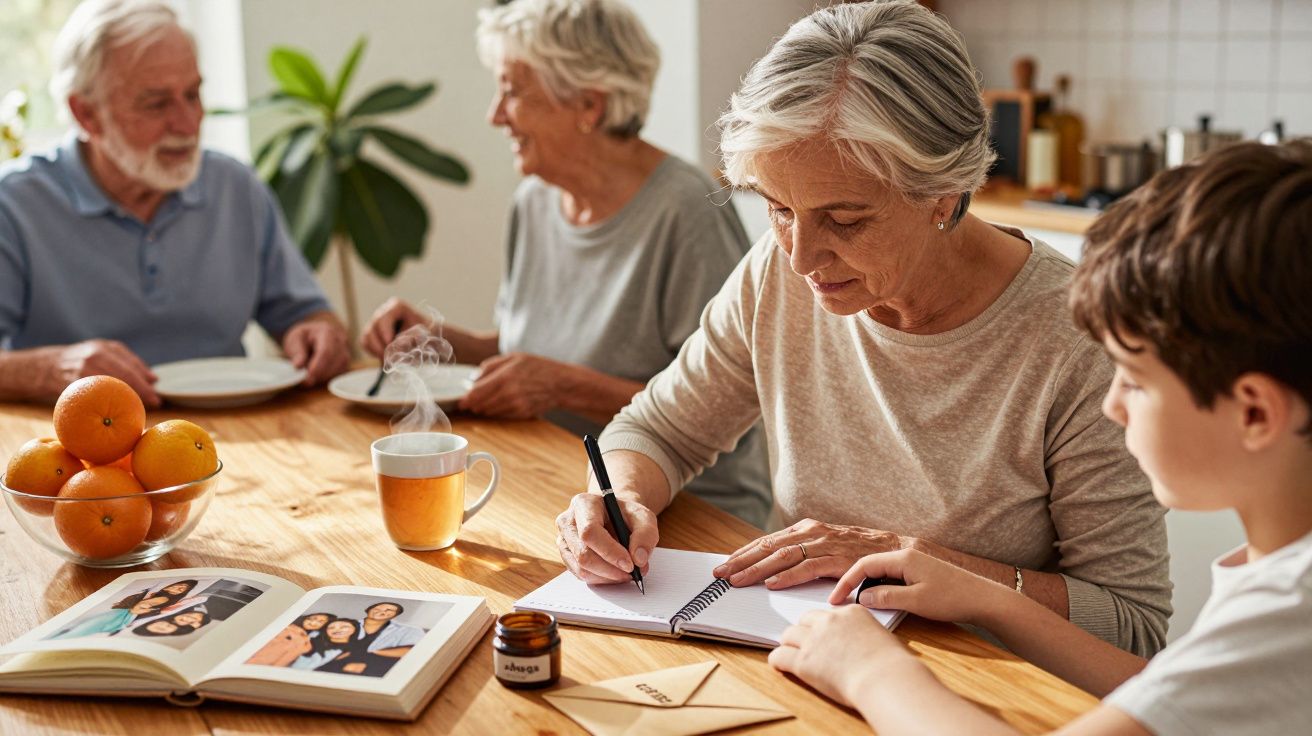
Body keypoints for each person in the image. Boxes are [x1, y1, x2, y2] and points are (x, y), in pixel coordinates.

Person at [555, 0, 1170, 656]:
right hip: (797, 655)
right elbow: (659, 430)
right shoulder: (777, 271)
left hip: (982, 696)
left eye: (844, 219)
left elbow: (1132, 626)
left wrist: (916, 561)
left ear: (944, 191)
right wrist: (618, 495)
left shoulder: (1076, 338)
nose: (800, 257)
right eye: (779, 208)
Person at [770, 141, 1312, 735]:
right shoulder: (1281, 580)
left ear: (1255, 413)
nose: (1111, 405)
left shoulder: (1291, 608)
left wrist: (871, 671)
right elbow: (1163, 693)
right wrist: (988, 597)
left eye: (1134, 381)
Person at [362, 0, 771, 526]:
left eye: (512, 91)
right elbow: (532, 349)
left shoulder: (686, 212)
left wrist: (564, 386)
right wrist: (441, 340)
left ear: (589, 106)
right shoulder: (534, 200)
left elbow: (722, 398)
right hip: (557, 480)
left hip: (688, 512)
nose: (494, 114)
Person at [0, 0, 349, 407]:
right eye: (156, 103)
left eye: (193, 94)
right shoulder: (14, 205)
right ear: (86, 114)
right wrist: (51, 368)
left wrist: (317, 333)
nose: (188, 123)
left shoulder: (235, 187)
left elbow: (305, 316)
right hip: (83, 450)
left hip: (235, 436)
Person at [46, 592, 170, 640]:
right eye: (150, 603)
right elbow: (78, 632)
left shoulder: (128, 619)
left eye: (153, 608)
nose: (148, 608)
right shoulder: (114, 616)